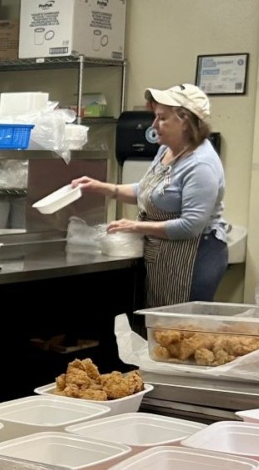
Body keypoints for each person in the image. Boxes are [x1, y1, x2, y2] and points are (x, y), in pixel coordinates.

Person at [72, 83, 227, 307]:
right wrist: (104, 187)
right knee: (159, 323)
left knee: (181, 328)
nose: (154, 125)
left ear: (185, 122)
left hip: (194, 257)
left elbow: (190, 225)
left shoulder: (200, 164)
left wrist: (135, 226)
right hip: (164, 254)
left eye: (162, 118)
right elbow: (146, 190)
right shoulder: (168, 150)